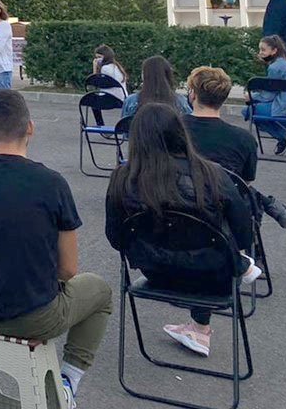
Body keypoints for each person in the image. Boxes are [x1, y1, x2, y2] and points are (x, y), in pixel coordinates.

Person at [0, 90, 110, 406]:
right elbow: (68, 269)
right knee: (100, 291)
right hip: (34, 315)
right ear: (29, 128)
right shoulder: (52, 183)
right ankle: (68, 381)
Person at [105, 103, 256, 358]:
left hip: (156, 272)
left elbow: (115, 237)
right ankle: (241, 266)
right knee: (220, 230)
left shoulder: (122, 178)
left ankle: (235, 271)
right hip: (212, 277)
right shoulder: (212, 174)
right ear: (180, 133)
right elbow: (244, 233)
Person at [184, 66, 286, 230]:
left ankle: (275, 207)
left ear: (192, 94)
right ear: (224, 97)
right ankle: (274, 207)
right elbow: (244, 182)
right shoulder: (244, 139)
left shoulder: (171, 129)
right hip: (221, 213)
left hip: (177, 202)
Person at [244, 35, 286, 155]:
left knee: (247, 110)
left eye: (263, 50)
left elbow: (268, 95)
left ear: (274, 51)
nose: (260, 53)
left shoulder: (275, 67)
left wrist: (251, 96)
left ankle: (285, 136)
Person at [121, 55, 192, 119]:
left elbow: (123, 128)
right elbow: (188, 127)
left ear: (144, 76)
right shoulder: (181, 102)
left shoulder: (131, 102)